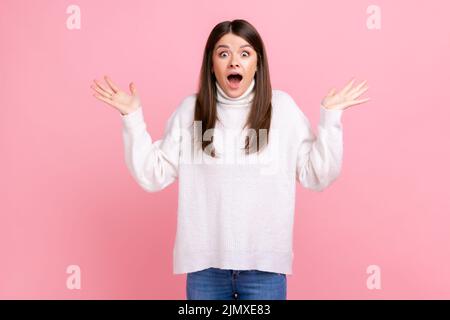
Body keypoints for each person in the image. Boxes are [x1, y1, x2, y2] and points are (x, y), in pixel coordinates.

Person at [90, 19, 370, 300]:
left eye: (244, 54)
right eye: (223, 54)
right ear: (211, 64)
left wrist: (331, 119)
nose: (234, 61)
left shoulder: (281, 109)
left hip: (265, 270)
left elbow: (317, 175)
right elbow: (153, 175)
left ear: (258, 64)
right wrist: (132, 119)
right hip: (205, 271)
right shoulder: (193, 112)